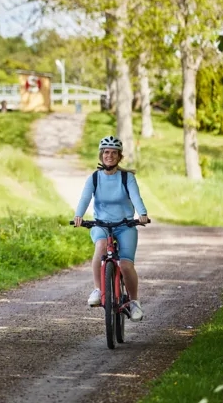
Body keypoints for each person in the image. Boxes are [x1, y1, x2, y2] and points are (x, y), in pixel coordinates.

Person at [73, 135, 150, 322]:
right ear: (101, 155)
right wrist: (78, 215)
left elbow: (136, 197)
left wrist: (142, 214)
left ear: (119, 157)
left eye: (114, 153)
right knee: (100, 248)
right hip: (101, 225)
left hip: (125, 226)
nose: (110, 156)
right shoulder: (94, 177)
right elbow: (85, 198)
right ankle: (99, 289)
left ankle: (134, 302)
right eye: (106, 152)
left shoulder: (127, 178)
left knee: (125, 264)